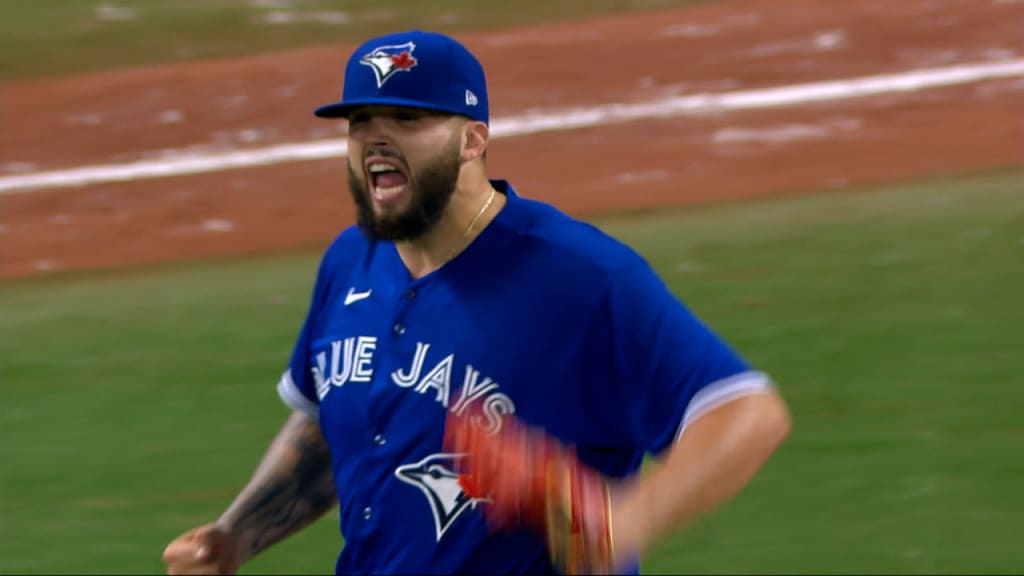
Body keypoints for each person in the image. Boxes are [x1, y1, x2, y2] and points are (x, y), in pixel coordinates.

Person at [162, 29, 791, 575]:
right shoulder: (350, 261)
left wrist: (630, 518)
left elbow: (745, 411)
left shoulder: (576, 276)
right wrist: (235, 536)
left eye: (407, 120)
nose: (376, 139)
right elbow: (334, 419)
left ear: (473, 141)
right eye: (361, 123)